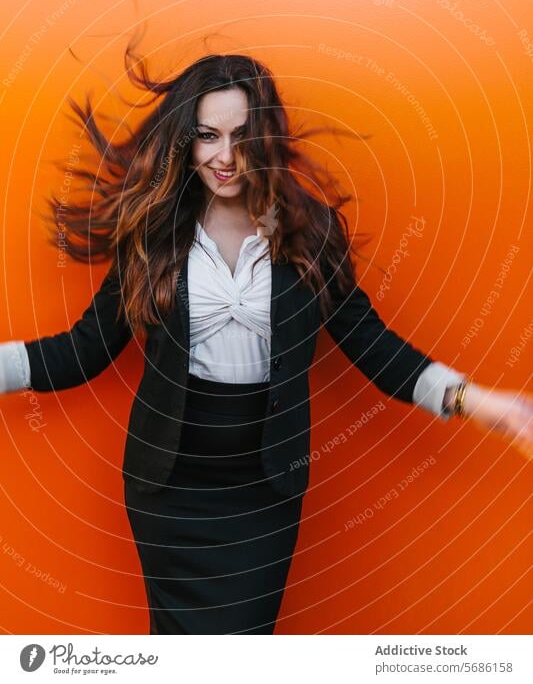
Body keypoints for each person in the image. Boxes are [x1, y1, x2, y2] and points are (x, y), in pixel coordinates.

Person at [1, 49, 531, 635]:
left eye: (242, 137)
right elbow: (83, 349)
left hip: (264, 488)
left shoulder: (307, 231)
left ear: (266, 139)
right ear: (185, 142)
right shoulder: (155, 235)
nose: (225, 158)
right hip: (169, 487)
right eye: (206, 136)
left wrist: (472, 401)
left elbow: (371, 344)